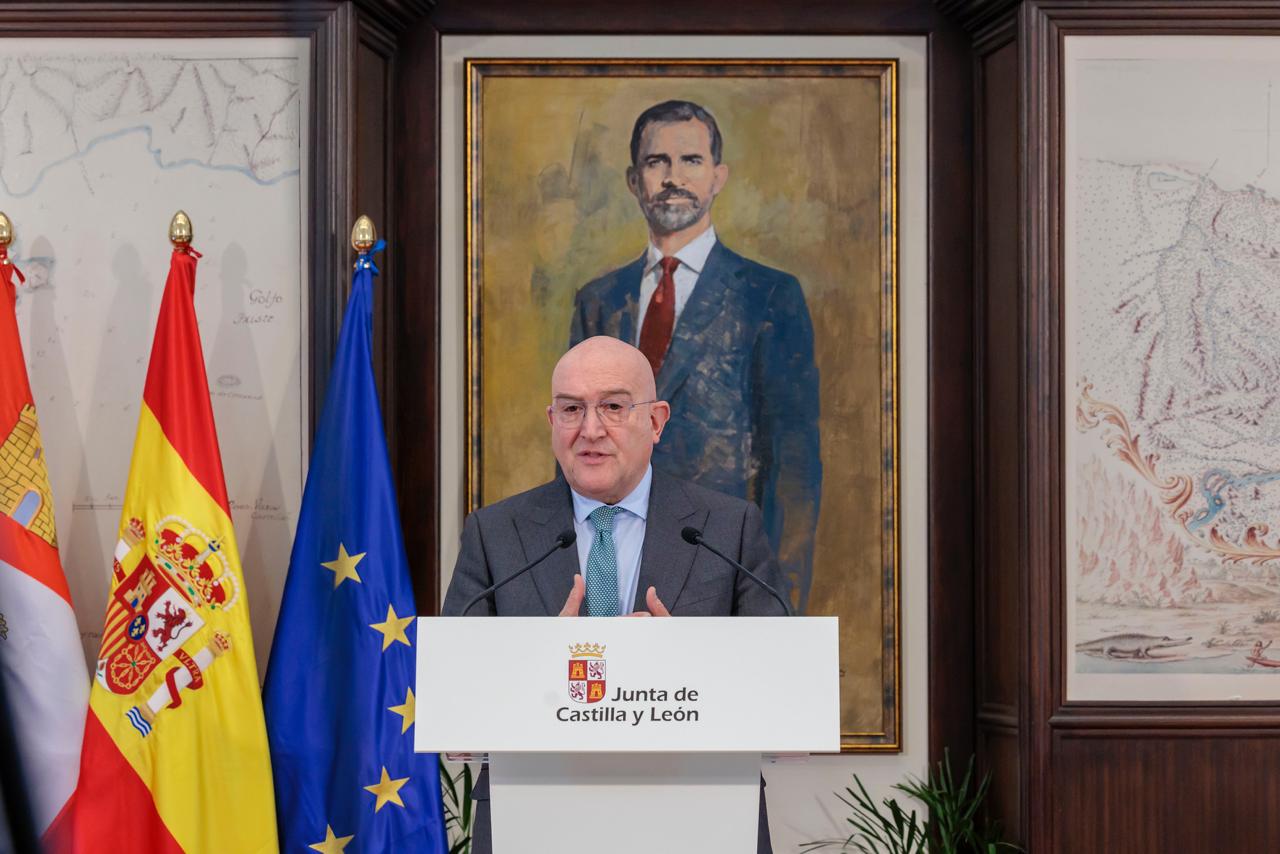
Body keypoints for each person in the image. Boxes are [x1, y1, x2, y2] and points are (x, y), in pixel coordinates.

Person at [442, 335, 783, 853]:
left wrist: (687, 661)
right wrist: (542, 659)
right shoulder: (496, 534)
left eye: (614, 407)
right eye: (572, 409)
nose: (591, 429)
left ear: (656, 421)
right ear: (552, 421)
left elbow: (773, 684)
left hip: (698, 816)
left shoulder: (728, 528)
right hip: (536, 818)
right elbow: (457, 696)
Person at [569, 99, 822, 613]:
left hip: (722, 573)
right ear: (634, 180)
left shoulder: (767, 296)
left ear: (717, 176)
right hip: (607, 573)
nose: (673, 177)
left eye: (690, 160)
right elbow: (575, 444)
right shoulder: (599, 300)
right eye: (656, 161)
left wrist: (778, 607)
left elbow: (794, 466)